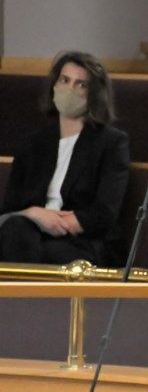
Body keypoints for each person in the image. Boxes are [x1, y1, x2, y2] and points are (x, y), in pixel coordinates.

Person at [0, 52, 130, 266]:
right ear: (54, 85)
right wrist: (35, 214)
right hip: (30, 233)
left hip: (84, 239)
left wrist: (59, 222)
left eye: (80, 85)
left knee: (40, 251)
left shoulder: (112, 142)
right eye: (64, 80)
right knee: (16, 231)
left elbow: (105, 212)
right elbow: (10, 209)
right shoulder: (32, 144)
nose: (70, 89)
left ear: (93, 95)